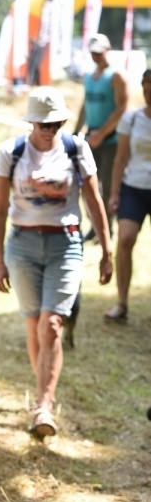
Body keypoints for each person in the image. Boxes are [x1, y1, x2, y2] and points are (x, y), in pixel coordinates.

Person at [0, 86, 112, 438]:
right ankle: (41, 397)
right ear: (31, 122)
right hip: (23, 245)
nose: (49, 129)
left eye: (56, 122)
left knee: (53, 325)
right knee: (35, 327)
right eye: (43, 123)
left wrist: (106, 250)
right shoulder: (11, 152)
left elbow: (93, 201)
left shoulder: (77, 149)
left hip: (66, 242)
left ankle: (44, 403)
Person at [104, 68, 151, 323]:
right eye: (145, 88)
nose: (148, 93)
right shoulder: (131, 119)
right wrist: (114, 193)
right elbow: (121, 157)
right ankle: (122, 302)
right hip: (133, 187)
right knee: (125, 240)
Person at [75, 33, 128, 237]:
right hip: (91, 139)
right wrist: (78, 129)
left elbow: (121, 107)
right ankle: (95, 225)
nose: (96, 56)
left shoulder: (116, 76)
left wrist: (103, 132)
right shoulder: (89, 76)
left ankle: (107, 226)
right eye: (93, 52)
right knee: (87, 183)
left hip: (111, 139)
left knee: (107, 183)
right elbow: (85, 105)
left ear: (108, 50)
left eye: (99, 52)